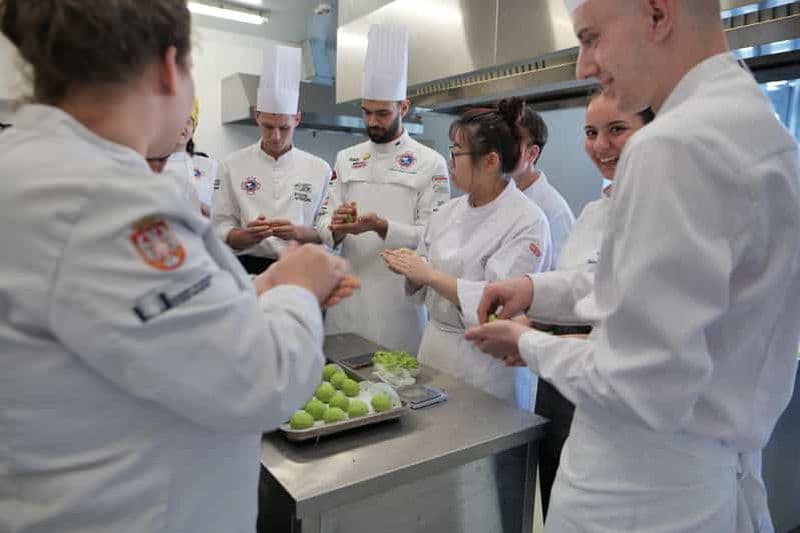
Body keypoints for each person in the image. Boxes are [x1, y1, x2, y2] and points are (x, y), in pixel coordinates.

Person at [0, 1, 358, 532]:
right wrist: (298, 285)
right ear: (171, 68)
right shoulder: (99, 200)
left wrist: (269, 283)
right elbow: (264, 380)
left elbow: (137, 326)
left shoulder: (37, 167)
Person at [465, 0, 800, 531]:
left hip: (630, 494)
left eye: (591, 36)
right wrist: (533, 289)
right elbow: (634, 289)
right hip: (698, 486)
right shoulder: (762, 129)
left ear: (658, 13)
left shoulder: (673, 144)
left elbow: (639, 384)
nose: (584, 66)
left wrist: (527, 343)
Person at [532, 91, 654, 519]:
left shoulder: (664, 214)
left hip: (613, 394)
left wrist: (536, 339)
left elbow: (642, 327)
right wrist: (531, 305)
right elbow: (580, 287)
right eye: (591, 132)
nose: (600, 146)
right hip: (560, 380)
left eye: (616, 130)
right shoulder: (592, 212)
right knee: (557, 494)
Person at [382, 98, 551, 404]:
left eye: (456, 153)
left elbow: (497, 306)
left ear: (490, 161)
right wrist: (411, 270)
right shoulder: (447, 213)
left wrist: (430, 276)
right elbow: (425, 263)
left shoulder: (527, 220)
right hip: (435, 349)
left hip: (486, 365)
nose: (450, 162)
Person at [319, 24, 451, 353]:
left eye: (383, 113)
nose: (373, 121)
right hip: (347, 298)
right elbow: (322, 221)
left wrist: (382, 227)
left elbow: (436, 236)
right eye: (366, 112)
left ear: (403, 108)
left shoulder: (430, 163)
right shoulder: (346, 158)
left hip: (399, 305)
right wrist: (336, 227)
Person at [213, 44, 331, 274]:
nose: (275, 136)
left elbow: (328, 232)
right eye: (267, 126)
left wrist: (298, 233)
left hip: (302, 271)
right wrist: (245, 236)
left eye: (284, 128)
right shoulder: (231, 165)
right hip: (247, 272)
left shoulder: (320, 169)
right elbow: (219, 226)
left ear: (297, 119)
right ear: (257, 115)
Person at [510, 107, 574, 267]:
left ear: (532, 154)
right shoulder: (501, 197)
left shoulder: (555, 210)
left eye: (509, 143)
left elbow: (565, 277)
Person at [164, 98, 218, 217]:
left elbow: (226, 215)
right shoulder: (145, 165)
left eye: (188, 121)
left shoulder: (211, 166)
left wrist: (201, 207)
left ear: (194, 128)